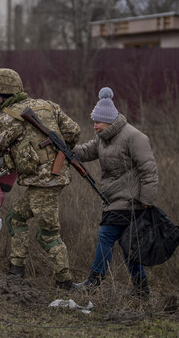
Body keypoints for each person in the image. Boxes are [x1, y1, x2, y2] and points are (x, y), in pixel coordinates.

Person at [0, 68, 80, 291]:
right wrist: (55, 153)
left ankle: (65, 283)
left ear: (4, 93)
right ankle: (16, 272)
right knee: (15, 218)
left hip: (44, 183)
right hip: (51, 179)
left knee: (48, 234)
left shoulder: (5, 120)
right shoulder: (49, 105)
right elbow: (74, 132)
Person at [72, 87, 158, 298]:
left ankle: (94, 280)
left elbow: (149, 169)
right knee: (128, 245)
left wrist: (146, 200)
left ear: (109, 121)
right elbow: (84, 152)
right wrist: (64, 148)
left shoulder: (134, 137)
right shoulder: (104, 139)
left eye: (97, 122)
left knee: (105, 235)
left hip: (130, 200)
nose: (94, 126)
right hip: (112, 199)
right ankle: (141, 288)